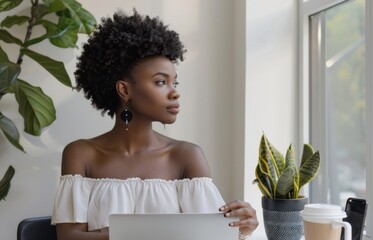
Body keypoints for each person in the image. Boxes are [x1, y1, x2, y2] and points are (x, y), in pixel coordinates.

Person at [51, 9, 259, 240]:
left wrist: (240, 228)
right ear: (125, 90)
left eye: (174, 82)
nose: (175, 93)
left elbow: (210, 237)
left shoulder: (186, 156)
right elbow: (69, 237)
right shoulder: (81, 154)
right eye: (161, 82)